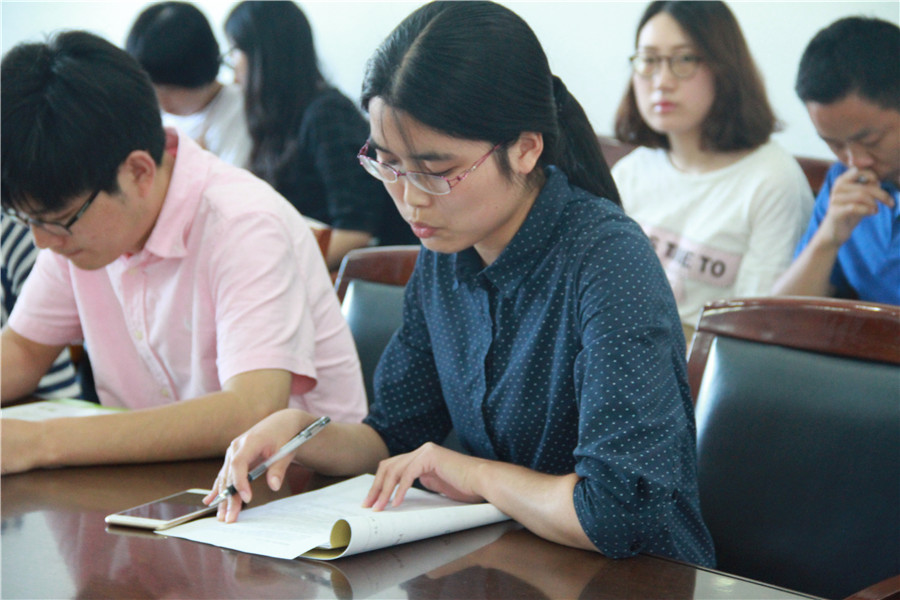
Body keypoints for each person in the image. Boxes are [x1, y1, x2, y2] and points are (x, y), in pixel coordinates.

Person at [208, 1, 715, 567]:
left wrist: (468, 470)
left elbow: (620, 512)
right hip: (514, 565)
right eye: (387, 163)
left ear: (525, 148)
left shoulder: (608, 260)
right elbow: (394, 436)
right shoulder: (449, 249)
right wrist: (301, 433)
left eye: (436, 170)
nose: (410, 198)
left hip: (635, 578)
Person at [0, 31, 367, 476]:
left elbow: (251, 410)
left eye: (56, 220)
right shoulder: (81, 226)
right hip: (165, 483)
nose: (43, 241)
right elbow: (21, 351)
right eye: (29, 221)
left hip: (295, 493)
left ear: (138, 171)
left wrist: (39, 442)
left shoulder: (242, 223)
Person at [612, 1, 813, 341]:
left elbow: (752, 331)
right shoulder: (631, 172)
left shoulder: (772, 179)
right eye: (648, 60)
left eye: (685, 60)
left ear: (725, 68)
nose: (662, 81)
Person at [224, 1, 418, 271]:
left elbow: (357, 232)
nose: (231, 65)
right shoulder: (278, 119)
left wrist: (274, 271)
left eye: (234, 51)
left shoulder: (326, 114)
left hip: (348, 277)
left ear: (262, 56)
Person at [772, 17, 899, 304]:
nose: (856, 160)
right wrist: (829, 237)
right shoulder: (843, 182)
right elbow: (782, 319)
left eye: (871, 141)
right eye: (835, 144)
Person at [126, 1, 251, 168]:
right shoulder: (153, 118)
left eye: (168, 90)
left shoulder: (241, 112)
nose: (160, 103)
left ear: (199, 75)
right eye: (151, 90)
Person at [1, 219, 81, 399]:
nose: (40, 240)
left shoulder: (12, 229)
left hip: (37, 402)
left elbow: (26, 352)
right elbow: (25, 345)